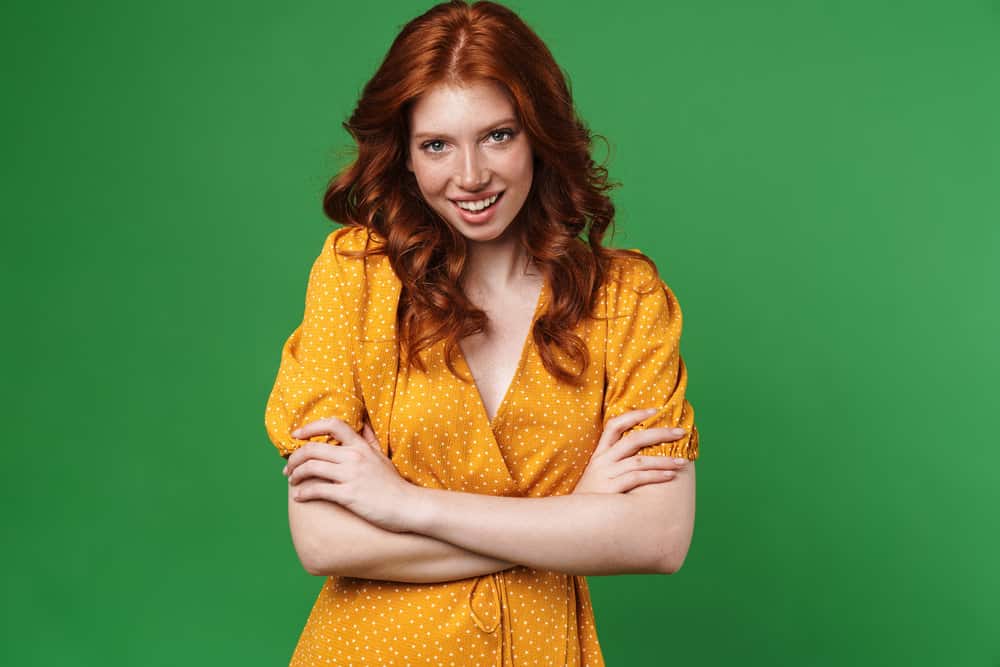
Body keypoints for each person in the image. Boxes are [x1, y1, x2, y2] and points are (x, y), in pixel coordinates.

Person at [264, 1, 699, 664]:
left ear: (540, 135)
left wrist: (402, 503)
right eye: (437, 144)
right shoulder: (355, 278)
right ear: (405, 157)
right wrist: (573, 517)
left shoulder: (627, 300)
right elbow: (324, 539)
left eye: (498, 135)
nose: (470, 176)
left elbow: (658, 538)